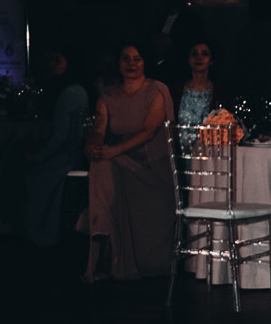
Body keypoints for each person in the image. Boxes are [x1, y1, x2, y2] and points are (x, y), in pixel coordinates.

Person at [83, 40, 173, 280]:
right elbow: (99, 127)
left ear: (145, 62)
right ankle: (102, 228)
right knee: (100, 163)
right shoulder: (108, 95)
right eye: (126, 58)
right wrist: (93, 145)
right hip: (120, 161)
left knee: (105, 162)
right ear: (118, 62)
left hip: (151, 166)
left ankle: (101, 232)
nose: (131, 63)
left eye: (137, 59)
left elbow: (149, 131)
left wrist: (113, 151)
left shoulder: (157, 90)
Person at [24, 46, 91, 248]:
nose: (51, 64)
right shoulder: (77, 90)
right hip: (73, 155)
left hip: (66, 159)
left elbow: (61, 137)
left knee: (26, 172)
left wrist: (39, 157)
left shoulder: (69, 93)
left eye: (57, 60)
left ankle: (37, 234)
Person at [170, 41, 235, 149]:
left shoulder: (221, 93)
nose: (199, 58)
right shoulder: (175, 91)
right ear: (188, 59)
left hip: (210, 153)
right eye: (194, 54)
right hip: (178, 153)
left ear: (211, 60)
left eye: (204, 54)